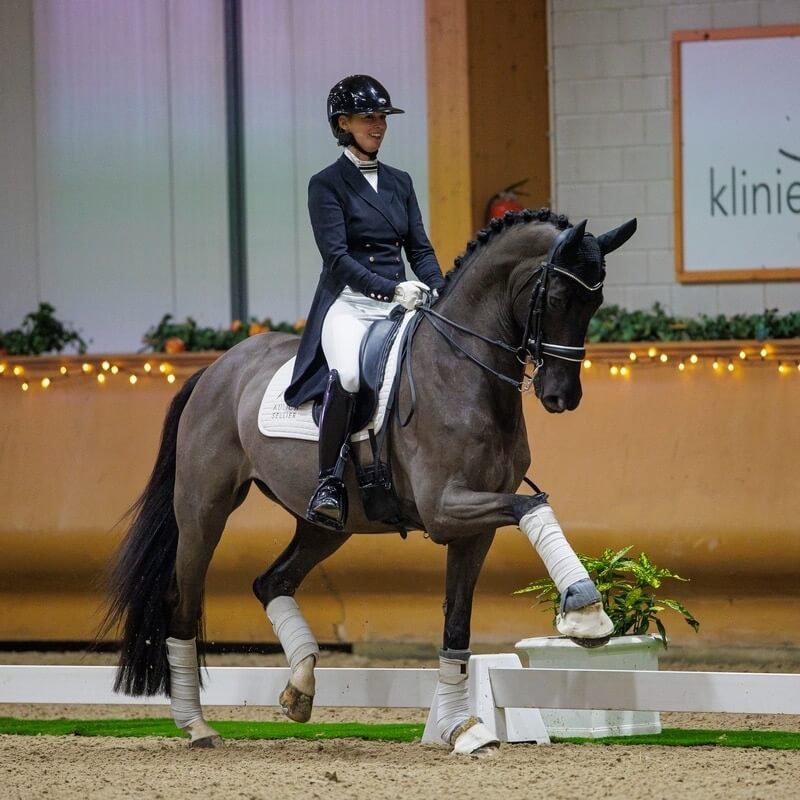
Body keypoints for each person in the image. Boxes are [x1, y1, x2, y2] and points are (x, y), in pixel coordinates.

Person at [284, 74, 446, 531]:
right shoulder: (326, 184)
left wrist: (440, 289)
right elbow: (336, 259)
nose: (378, 125)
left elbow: (419, 248)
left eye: (381, 117)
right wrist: (391, 289)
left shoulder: (400, 181)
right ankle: (329, 481)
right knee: (351, 374)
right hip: (350, 302)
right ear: (343, 123)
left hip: (400, 302)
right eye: (367, 118)